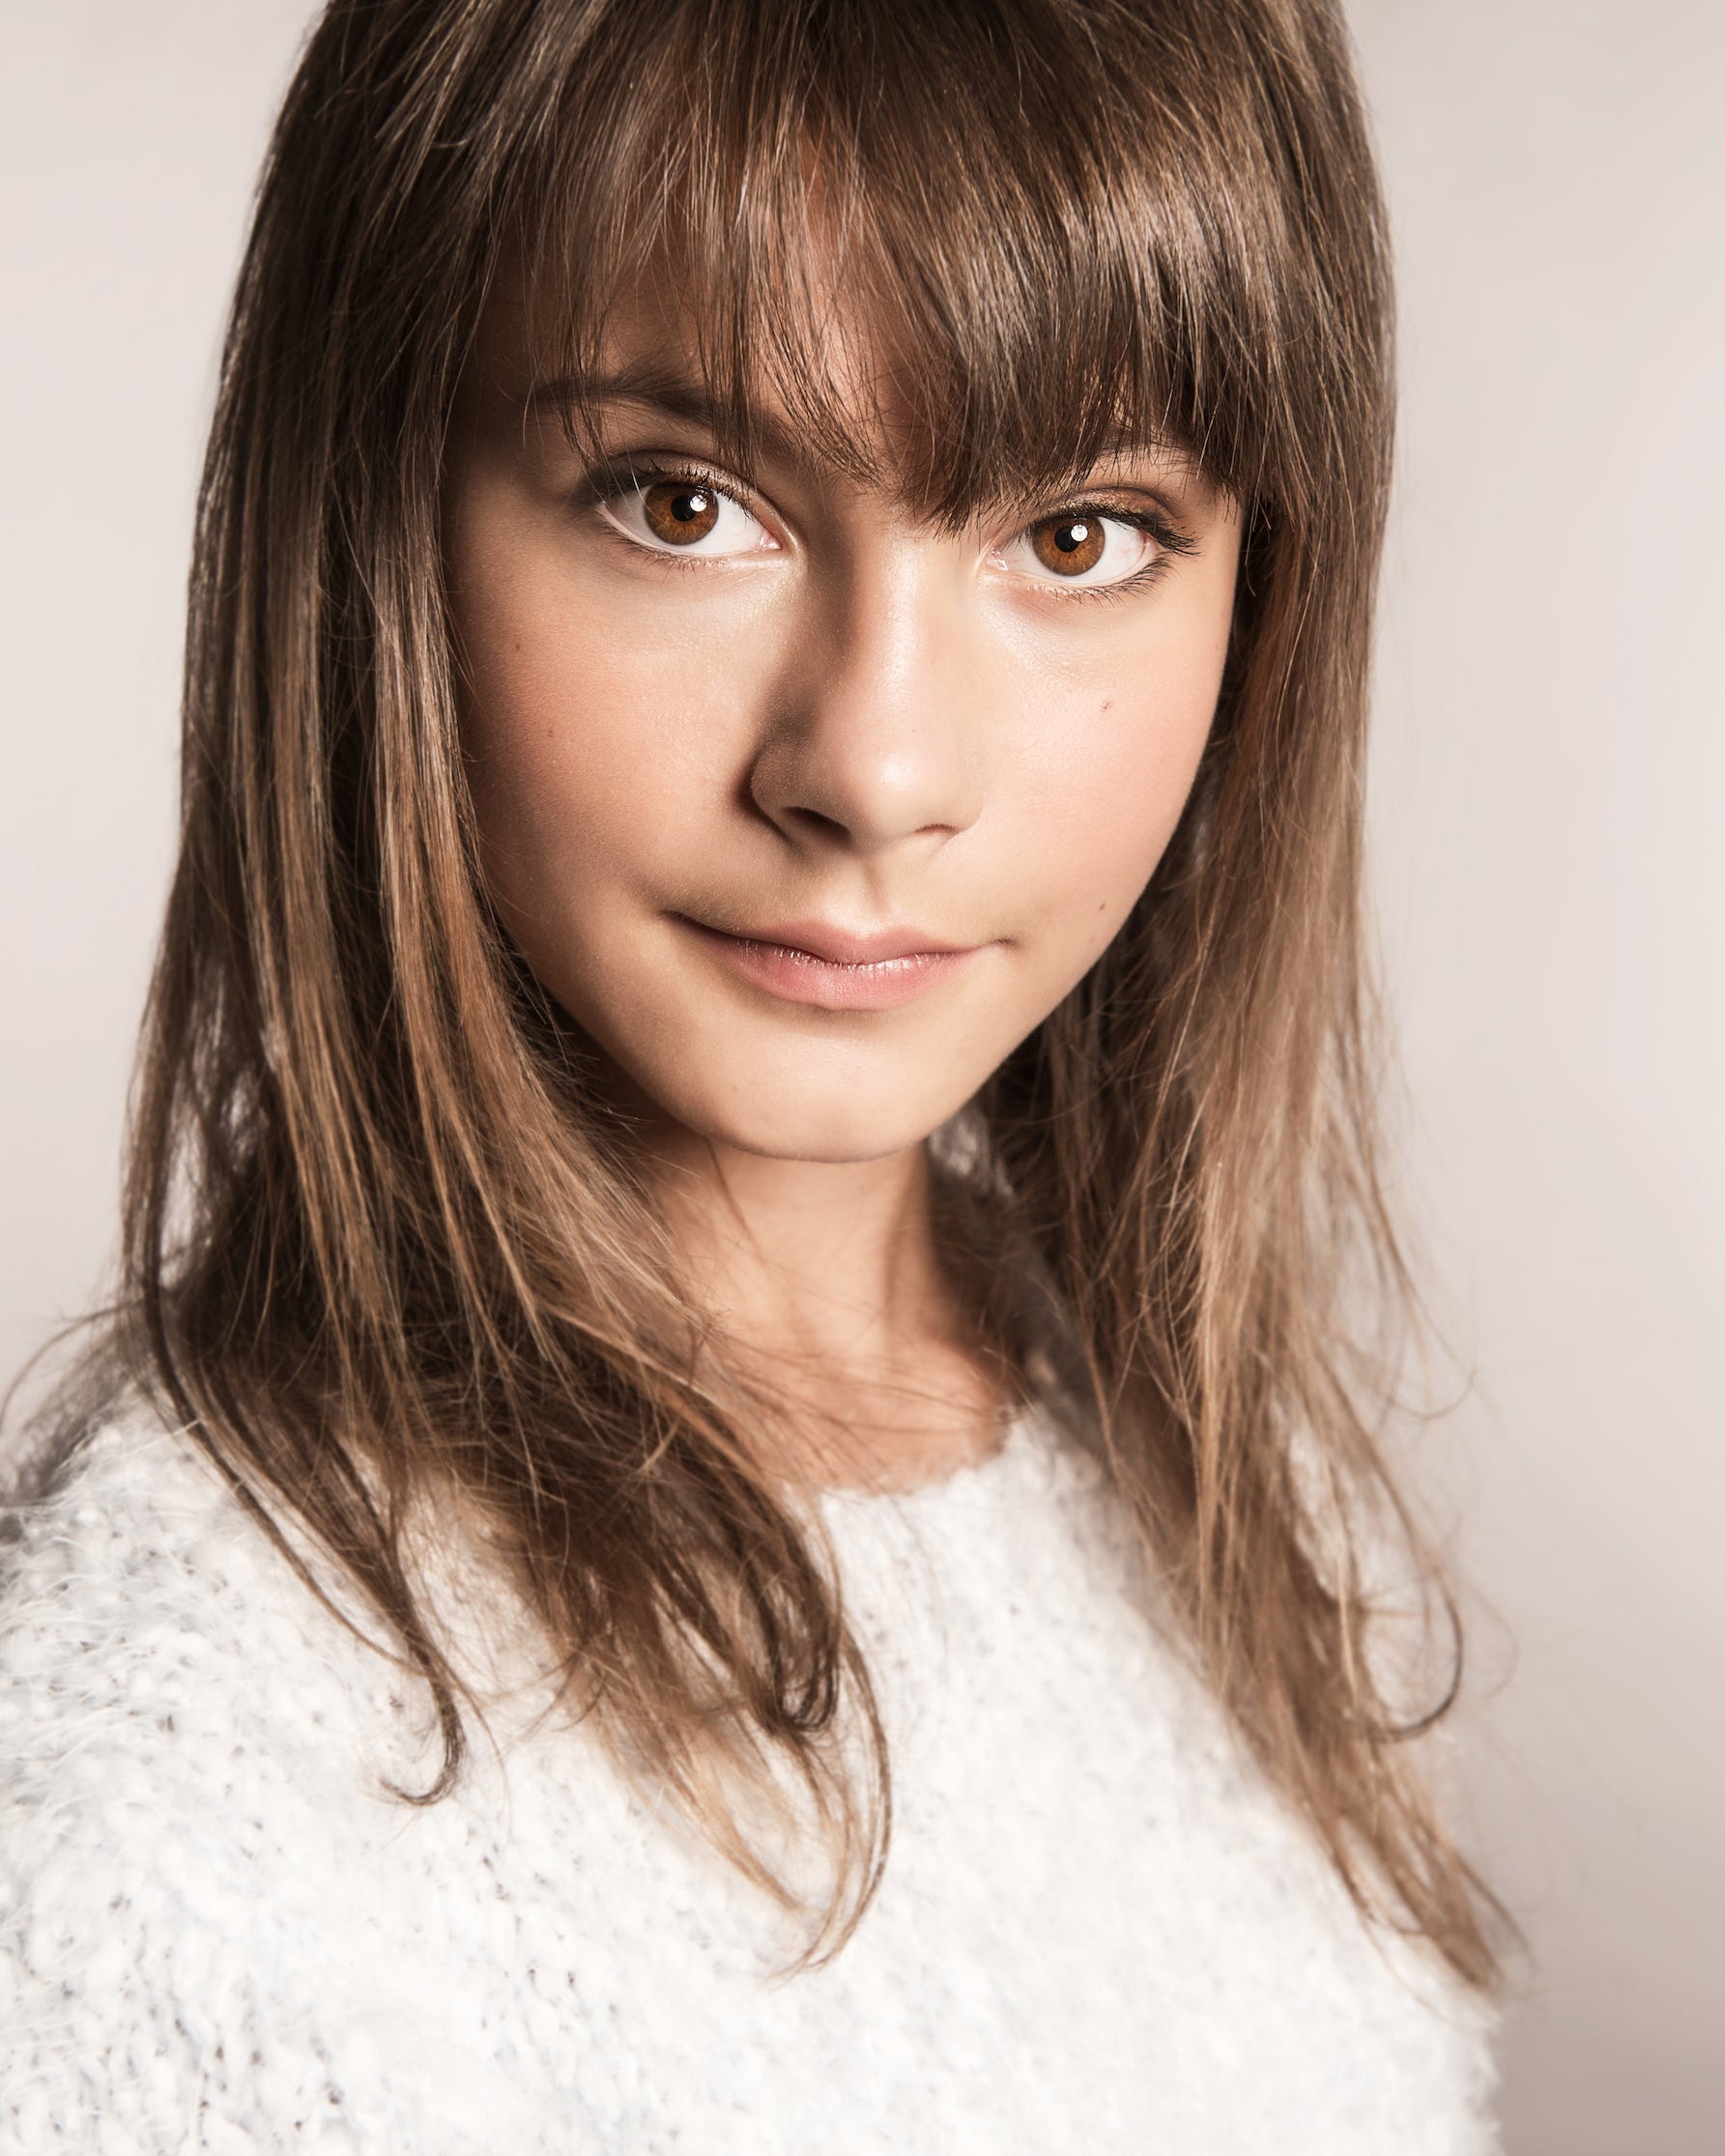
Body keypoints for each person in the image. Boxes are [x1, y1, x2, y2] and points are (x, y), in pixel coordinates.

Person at [0, 0, 1506, 2147]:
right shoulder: (166, 1810)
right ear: (379, 525)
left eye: (1073, 536)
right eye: (679, 500)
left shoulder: (1206, 1474)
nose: (876, 769)